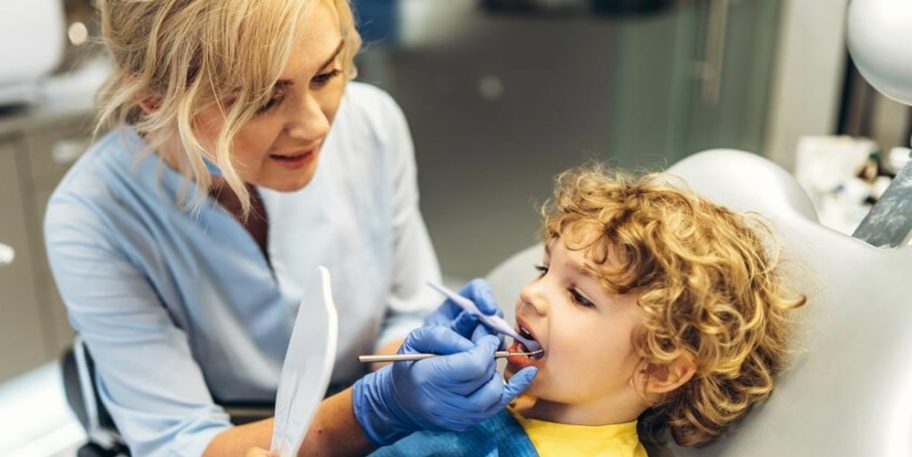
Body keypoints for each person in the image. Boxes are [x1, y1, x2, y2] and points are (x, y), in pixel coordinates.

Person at [43, 0, 533, 455]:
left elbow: (403, 312)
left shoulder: (371, 124)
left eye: (325, 75)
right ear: (153, 99)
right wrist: (378, 407)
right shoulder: (92, 216)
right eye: (261, 100)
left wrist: (417, 365)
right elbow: (183, 441)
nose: (315, 125)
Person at [368, 165, 806, 456]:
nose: (531, 294)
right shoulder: (505, 403)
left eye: (578, 296)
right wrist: (386, 395)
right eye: (545, 268)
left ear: (660, 370)